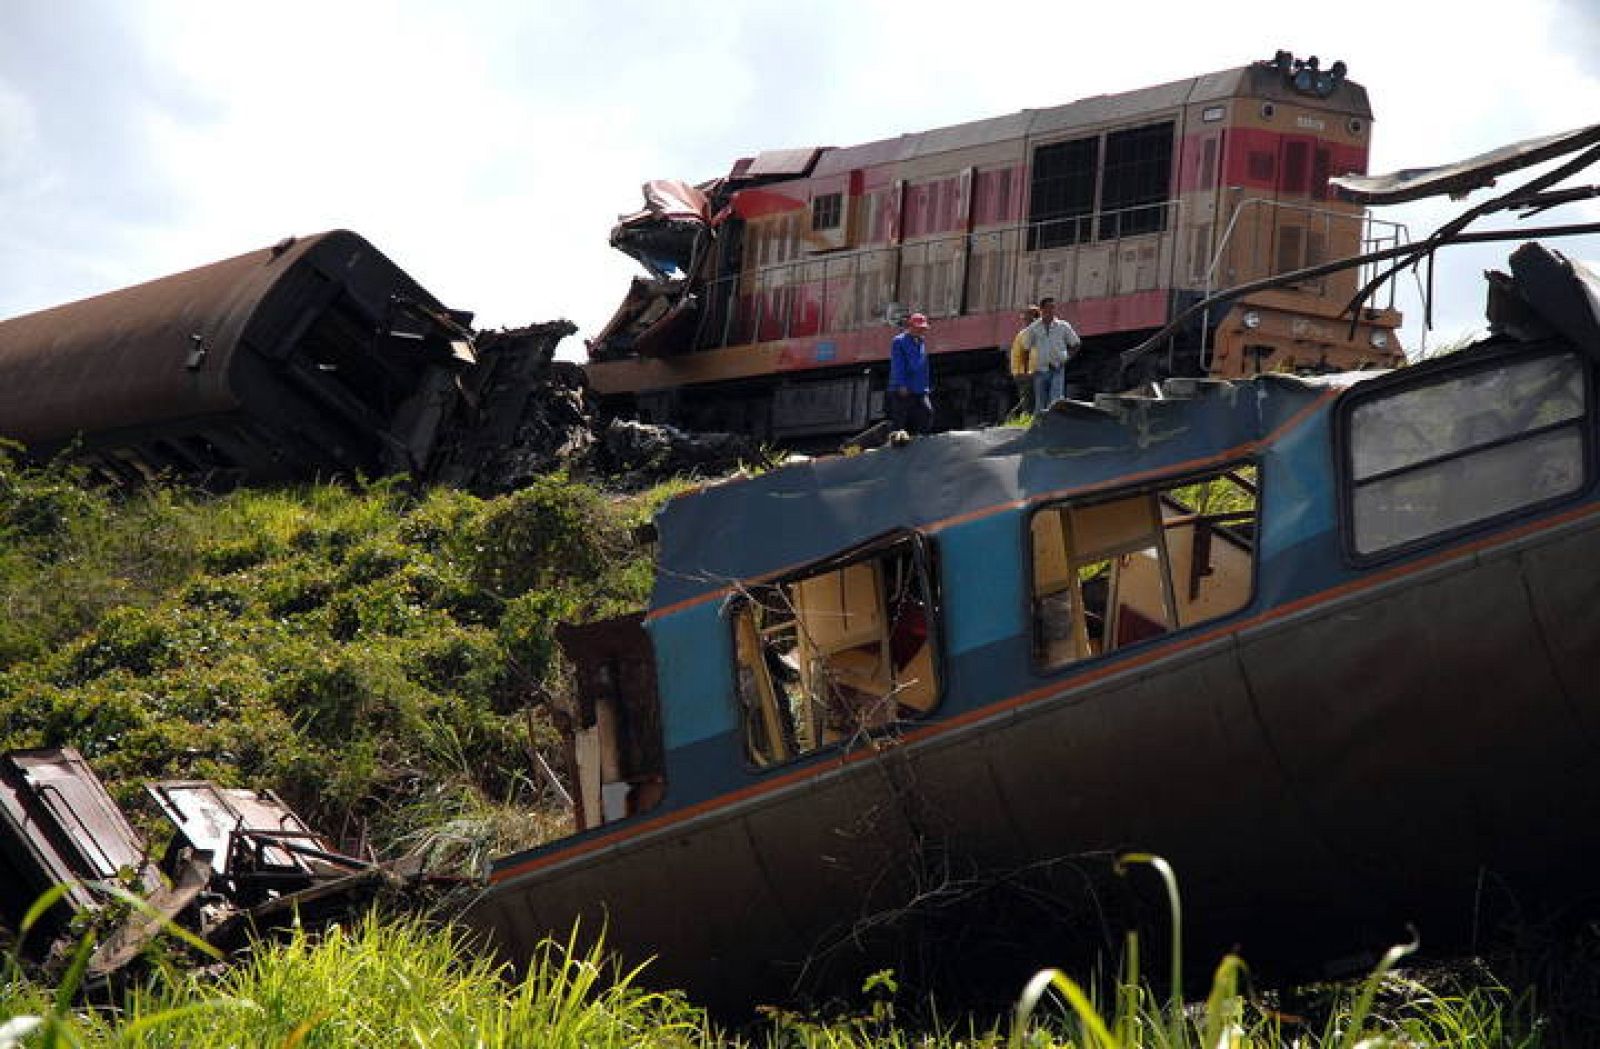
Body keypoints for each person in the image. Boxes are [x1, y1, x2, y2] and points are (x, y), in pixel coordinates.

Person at [1022, 296, 1081, 411]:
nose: (1051, 311)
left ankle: (1054, 426)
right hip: (1040, 370)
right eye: (1049, 308)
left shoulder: (1063, 326)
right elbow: (1026, 347)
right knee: (1040, 404)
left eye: (1053, 308)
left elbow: (1076, 343)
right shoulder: (1033, 328)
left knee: (1055, 402)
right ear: (1042, 310)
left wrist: (1066, 357)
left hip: (1057, 368)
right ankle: (1040, 427)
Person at [887, 312, 934, 435]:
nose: (921, 331)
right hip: (903, 388)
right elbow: (898, 365)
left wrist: (926, 386)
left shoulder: (921, 341)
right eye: (919, 328)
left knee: (927, 413)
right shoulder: (899, 341)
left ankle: (919, 442)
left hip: (919, 388)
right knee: (900, 421)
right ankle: (895, 447)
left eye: (923, 329)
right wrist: (901, 385)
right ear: (911, 327)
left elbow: (923, 365)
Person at [1008, 305, 1041, 416]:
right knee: (1029, 399)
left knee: (1031, 399)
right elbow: (1020, 355)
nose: (1025, 321)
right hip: (1026, 374)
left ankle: (1031, 417)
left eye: (1027, 318)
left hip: (1030, 373)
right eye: (1025, 319)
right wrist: (1020, 373)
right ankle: (1029, 418)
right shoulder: (1024, 335)